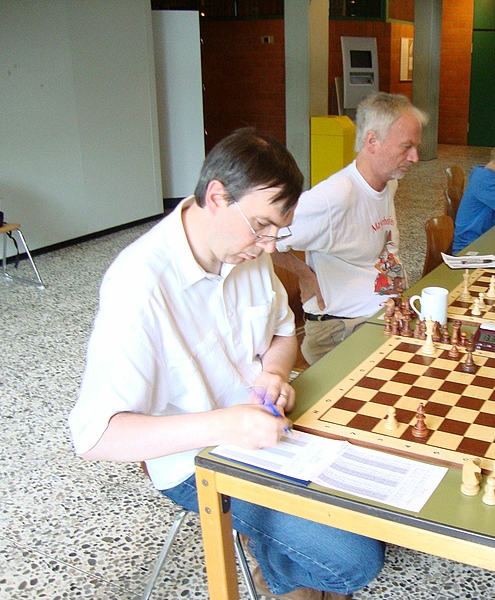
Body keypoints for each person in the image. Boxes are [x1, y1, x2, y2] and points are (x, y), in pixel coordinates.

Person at [68, 129, 384, 600]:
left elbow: (282, 333)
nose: (270, 246)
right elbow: (94, 436)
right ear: (217, 196)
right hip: (194, 459)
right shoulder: (139, 286)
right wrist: (227, 424)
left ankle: (283, 560)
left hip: (268, 429)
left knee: (381, 497)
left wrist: (273, 373)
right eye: (262, 226)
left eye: (278, 230)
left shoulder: (245, 249)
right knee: (354, 560)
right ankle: (283, 574)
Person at [273, 92, 428, 365]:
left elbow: (384, 249)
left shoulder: (388, 183)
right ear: (372, 142)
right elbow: (262, 237)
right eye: (406, 147)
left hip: (379, 317)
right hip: (341, 330)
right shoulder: (335, 196)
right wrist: (304, 274)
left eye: (416, 147)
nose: (415, 157)